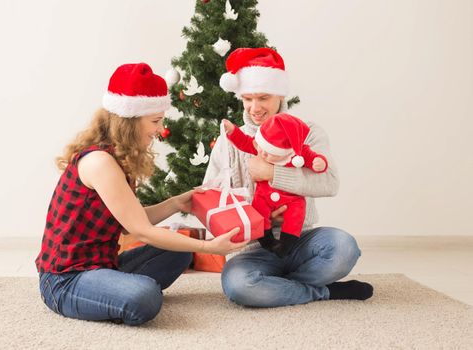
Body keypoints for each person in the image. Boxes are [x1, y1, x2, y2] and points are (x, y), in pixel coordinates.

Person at [35, 62, 247, 326]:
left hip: (103, 266)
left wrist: (175, 203)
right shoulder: (100, 162)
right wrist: (209, 247)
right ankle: (115, 294)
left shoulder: (115, 157)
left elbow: (128, 223)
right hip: (65, 280)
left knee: (179, 253)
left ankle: (111, 291)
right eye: (155, 121)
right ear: (130, 121)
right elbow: (141, 230)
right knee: (145, 297)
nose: (159, 130)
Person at [204, 47, 373, 307]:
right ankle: (323, 291)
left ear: (280, 95)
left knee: (344, 248)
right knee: (239, 285)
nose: (254, 108)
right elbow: (209, 195)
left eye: (263, 97)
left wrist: (272, 173)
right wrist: (257, 216)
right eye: (248, 99)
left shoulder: (308, 133)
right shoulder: (229, 142)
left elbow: (330, 182)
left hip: (300, 239)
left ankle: (278, 288)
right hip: (253, 249)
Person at [223, 113, 328, 258]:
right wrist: (232, 131)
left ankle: (287, 244)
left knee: (296, 214)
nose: (262, 154)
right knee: (258, 209)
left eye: (269, 152)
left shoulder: (298, 153)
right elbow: (245, 142)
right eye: (261, 149)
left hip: (291, 198)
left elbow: (314, 159)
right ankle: (266, 239)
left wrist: (320, 162)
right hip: (264, 194)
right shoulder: (262, 145)